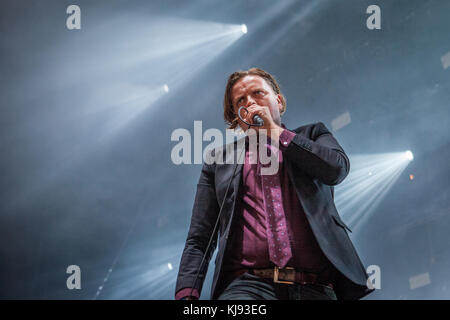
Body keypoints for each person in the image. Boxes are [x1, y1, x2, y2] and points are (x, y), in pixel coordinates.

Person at [175, 68, 374, 300]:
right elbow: (199, 238)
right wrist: (186, 294)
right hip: (248, 286)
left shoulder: (313, 134)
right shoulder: (219, 162)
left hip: (315, 287)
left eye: (258, 93)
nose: (250, 103)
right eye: (241, 100)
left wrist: (274, 132)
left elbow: (336, 170)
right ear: (238, 119)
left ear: (278, 102)